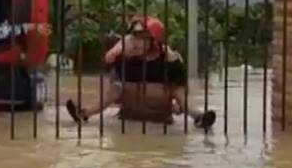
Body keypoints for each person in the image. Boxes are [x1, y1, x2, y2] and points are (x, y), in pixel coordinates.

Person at [65, 15, 216, 129]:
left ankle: (198, 116)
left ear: (154, 41)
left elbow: (182, 90)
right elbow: (109, 68)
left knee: (176, 91)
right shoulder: (123, 56)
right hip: (129, 115)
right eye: (134, 37)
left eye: (142, 38)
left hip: (160, 117)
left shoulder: (170, 62)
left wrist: (177, 107)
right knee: (116, 88)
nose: (136, 43)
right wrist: (117, 51)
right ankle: (84, 113)